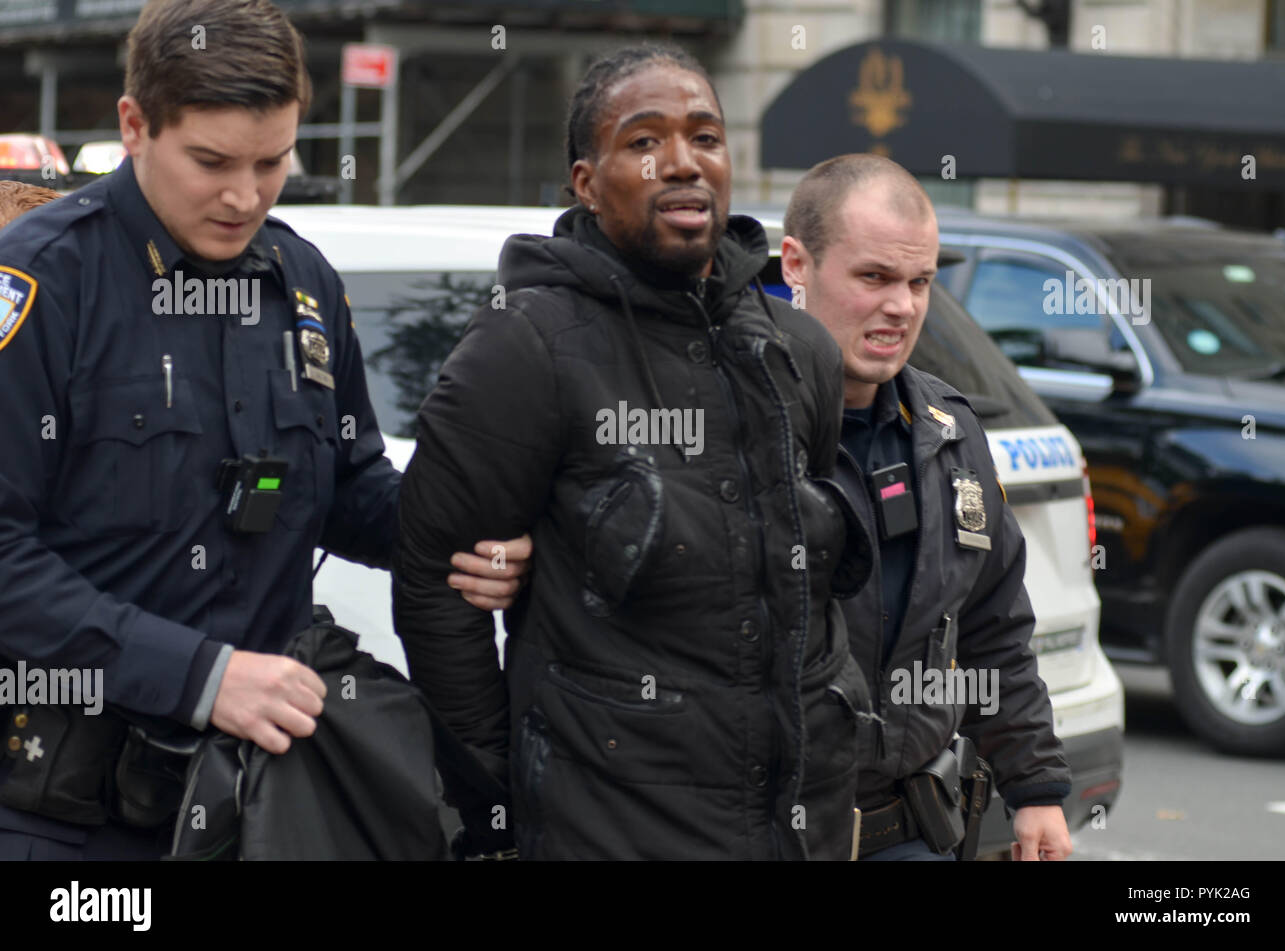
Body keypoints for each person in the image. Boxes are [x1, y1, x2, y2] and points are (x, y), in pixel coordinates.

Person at [0, 0, 528, 861]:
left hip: (260, 805)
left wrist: (461, 539)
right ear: (135, 126)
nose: (244, 195)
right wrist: (201, 675)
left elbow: (351, 486)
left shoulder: (303, 280)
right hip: (68, 819)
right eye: (210, 162)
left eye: (274, 161)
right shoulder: (44, 283)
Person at [392, 44, 874, 860]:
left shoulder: (799, 349)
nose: (681, 163)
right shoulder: (526, 345)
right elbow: (435, 589)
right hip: (608, 831)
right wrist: (509, 791)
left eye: (705, 138)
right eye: (644, 142)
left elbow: (809, 586)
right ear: (586, 180)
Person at [780, 154, 1072, 861]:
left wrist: (1034, 785)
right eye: (874, 277)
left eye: (920, 282)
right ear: (797, 263)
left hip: (907, 832)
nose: (903, 306)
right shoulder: (737, 423)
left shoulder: (948, 427)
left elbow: (992, 627)